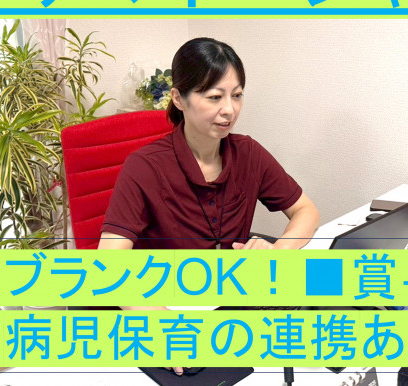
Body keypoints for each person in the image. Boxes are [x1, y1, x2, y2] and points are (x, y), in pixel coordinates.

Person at [98, 37, 320, 374]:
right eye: (215, 97)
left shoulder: (249, 153)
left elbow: (307, 211)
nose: (229, 109)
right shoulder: (145, 167)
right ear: (179, 98)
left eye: (237, 95)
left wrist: (279, 251)